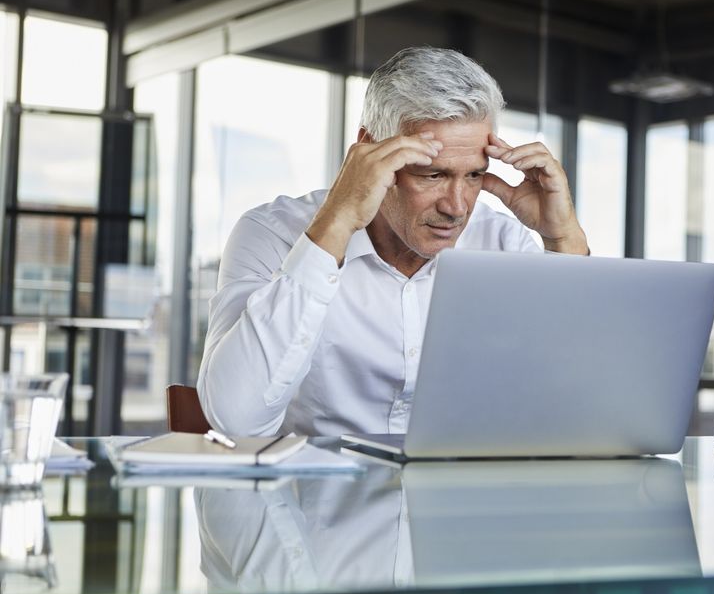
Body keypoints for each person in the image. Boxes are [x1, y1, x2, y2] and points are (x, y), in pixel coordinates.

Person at [197, 46, 589, 437]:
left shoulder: (504, 242)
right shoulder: (270, 234)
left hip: (462, 493)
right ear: (368, 149)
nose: (456, 208)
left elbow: (577, 403)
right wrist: (335, 225)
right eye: (431, 175)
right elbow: (237, 421)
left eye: (473, 176)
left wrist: (562, 238)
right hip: (314, 496)